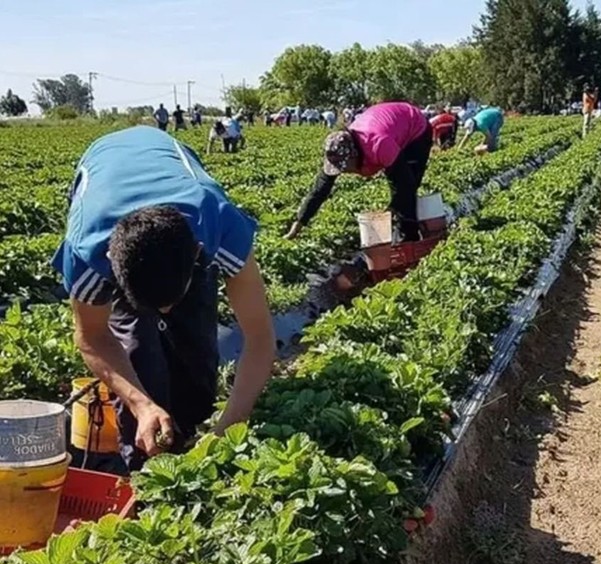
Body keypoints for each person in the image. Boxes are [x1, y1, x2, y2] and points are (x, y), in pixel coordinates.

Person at [52, 126, 275, 472]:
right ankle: (144, 466)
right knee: (137, 348)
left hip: (170, 169)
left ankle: (191, 428)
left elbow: (259, 337)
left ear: (197, 253)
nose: (165, 311)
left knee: (196, 345)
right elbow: (92, 336)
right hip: (103, 171)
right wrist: (141, 404)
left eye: (173, 297)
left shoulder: (220, 225)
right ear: (113, 268)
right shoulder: (85, 254)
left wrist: (228, 427)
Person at [287, 101, 432, 243]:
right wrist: (300, 222)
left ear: (354, 155)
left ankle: (409, 240)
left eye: (345, 166)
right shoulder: (336, 151)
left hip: (415, 128)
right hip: (387, 125)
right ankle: (399, 233)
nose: (343, 171)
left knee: (407, 188)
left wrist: (391, 211)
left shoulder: (379, 145)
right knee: (400, 194)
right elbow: (320, 190)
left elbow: (405, 185)